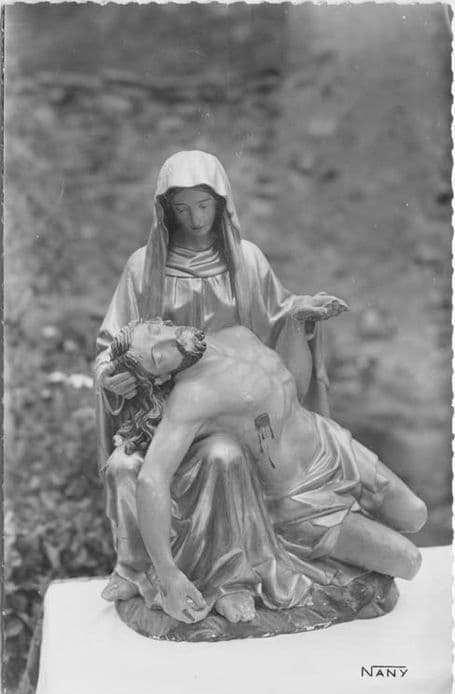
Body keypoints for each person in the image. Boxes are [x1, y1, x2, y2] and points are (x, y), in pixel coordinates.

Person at [95, 150, 347, 608]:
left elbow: (277, 317)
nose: (195, 219)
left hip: (224, 413)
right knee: (122, 467)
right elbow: (111, 346)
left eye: (204, 206)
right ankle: (136, 568)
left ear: (222, 203)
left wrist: (301, 313)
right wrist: (111, 378)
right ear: (165, 211)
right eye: (182, 208)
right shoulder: (142, 267)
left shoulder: (246, 262)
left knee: (224, 456)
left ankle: (229, 580)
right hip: (157, 414)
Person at [103, 318, 427, 625]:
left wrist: (298, 323)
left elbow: (292, 386)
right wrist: (167, 572)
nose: (168, 339)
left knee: (415, 514)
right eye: (158, 356)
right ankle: (332, 547)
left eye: (156, 329)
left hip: (331, 445)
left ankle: (355, 534)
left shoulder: (237, 334)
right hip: (303, 499)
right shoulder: (191, 398)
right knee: (408, 562)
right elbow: (152, 478)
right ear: (159, 378)